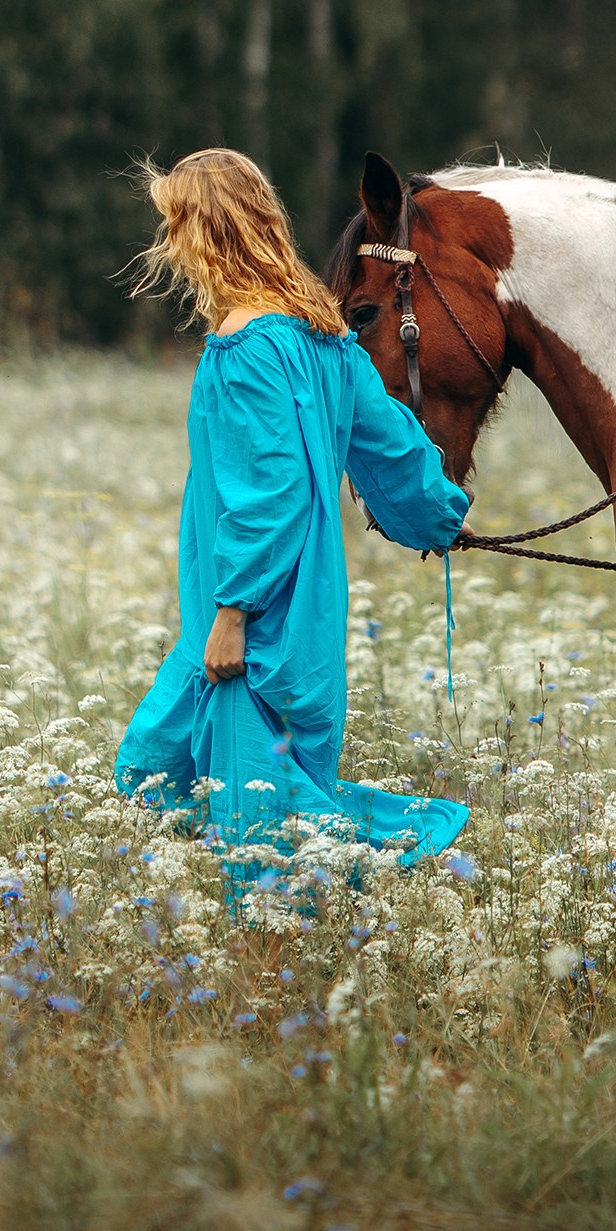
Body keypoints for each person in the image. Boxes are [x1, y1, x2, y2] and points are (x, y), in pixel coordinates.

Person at [114, 147, 470, 890]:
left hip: (257, 626)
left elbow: (269, 489)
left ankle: (277, 974)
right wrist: (439, 515)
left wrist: (233, 612)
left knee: (258, 835)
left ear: (205, 232)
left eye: (175, 226)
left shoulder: (245, 346)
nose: (169, 245)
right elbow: (393, 448)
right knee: (167, 769)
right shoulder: (326, 337)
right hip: (305, 621)